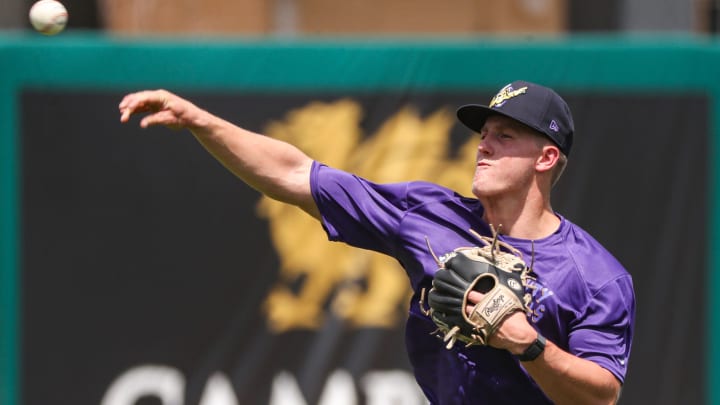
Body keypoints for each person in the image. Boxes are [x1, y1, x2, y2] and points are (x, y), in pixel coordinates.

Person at [119, 80, 635, 405]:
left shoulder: (595, 276)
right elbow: (297, 174)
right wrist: (201, 122)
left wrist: (529, 344)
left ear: (545, 158)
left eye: (505, 135)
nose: (484, 144)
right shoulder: (431, 214)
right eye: (484, 133)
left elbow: (601, 395)